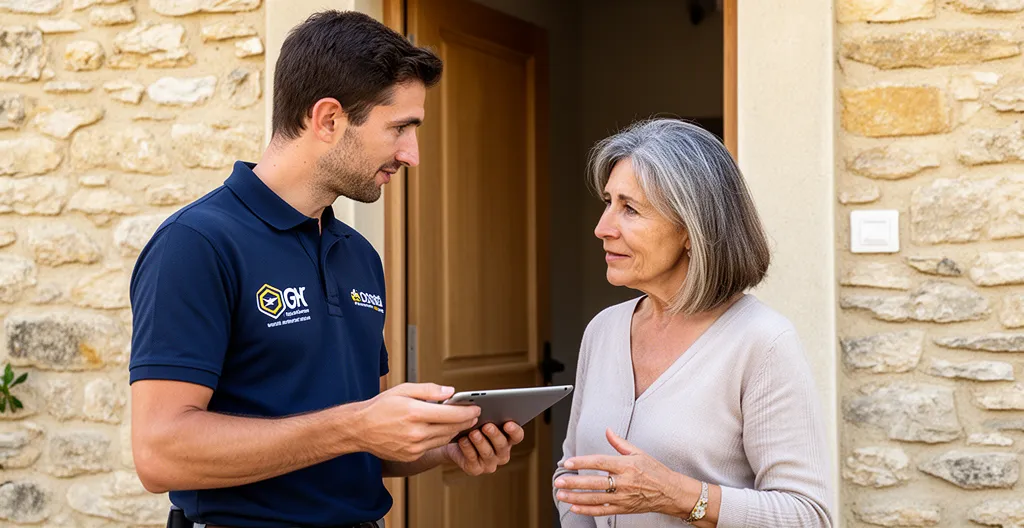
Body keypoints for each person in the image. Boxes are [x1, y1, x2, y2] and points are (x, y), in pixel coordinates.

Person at [129, 11, 524, 528]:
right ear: (329, 119)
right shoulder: (197, 244)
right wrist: (357, 426)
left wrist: (442, 448)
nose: (413, 154)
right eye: (401, 127)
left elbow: (367, 444)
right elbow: (161, 453)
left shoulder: (357, 254)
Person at [552, 119, 833, 527]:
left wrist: (677, 495)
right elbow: (573, 475)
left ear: (690, 229)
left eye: (629, 209)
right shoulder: (603, 330)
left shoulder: (762, 342)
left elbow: (807, 516)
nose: (602, 228)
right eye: (607, 202)